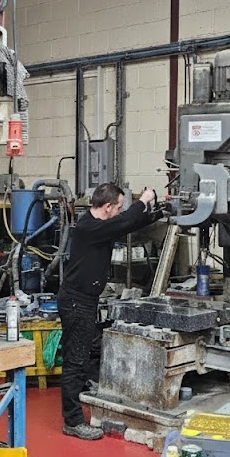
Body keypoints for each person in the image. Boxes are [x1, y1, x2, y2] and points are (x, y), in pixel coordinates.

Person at [58, 182, 156, 440]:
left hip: (84, 300)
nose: (120, 211)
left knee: (83, 356)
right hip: (77, 302)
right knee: (74, 360)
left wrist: (154, 212)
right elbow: (123, 223)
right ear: (109, 206)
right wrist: (143, 200)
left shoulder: (99, 226)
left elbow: (127, 224)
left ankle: (79, 407)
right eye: (119, 207)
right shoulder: (90, 227)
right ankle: (73, 421)